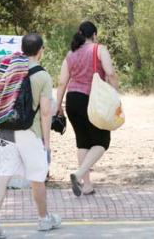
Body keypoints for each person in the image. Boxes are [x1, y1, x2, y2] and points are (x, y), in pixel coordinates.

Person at [0, 34, 61, 239]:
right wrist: (46, 143)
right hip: (31, 132)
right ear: (41, 51)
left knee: (2, 176)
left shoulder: (9, 68)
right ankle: (44, 219)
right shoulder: (42, 76)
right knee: (37, 178)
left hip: (5, 130)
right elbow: (46, 112)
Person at [56, 21, 118, 197]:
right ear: (95, 35)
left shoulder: (70, 54)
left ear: (80, 33)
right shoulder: (100, 49)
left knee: (82, 141)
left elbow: (62, 82)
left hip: (72, 100)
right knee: (102, 141)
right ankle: (79, 173)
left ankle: (87, 185)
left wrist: (58, 106)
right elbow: (110, 73)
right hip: (92, 100)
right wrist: (115, 94)